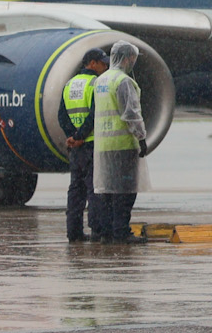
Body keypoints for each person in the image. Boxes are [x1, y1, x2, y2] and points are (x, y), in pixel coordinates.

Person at [91, 41, 150, 243]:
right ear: (125, 58)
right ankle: (121, 232)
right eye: (132, 58)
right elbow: (131, 114)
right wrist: (141, 138)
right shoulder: (123, 81)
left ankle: (106, 231)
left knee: (107, 192)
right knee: (125, 193)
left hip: (102, 146)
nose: (133, 62)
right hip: (123, 145)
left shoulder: (101, 80)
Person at [60, 47, 107, 243]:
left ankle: (74, 232)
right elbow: (95, 115)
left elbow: (61, 116)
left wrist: (72, 136)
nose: (106, 67)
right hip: (91, 145)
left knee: (76, 191)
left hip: (76, 148)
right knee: (94, 189)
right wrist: (81, 136)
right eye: (103, 63)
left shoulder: (70, 84)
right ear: (92, 63)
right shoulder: (96, 83)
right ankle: (97, 232)